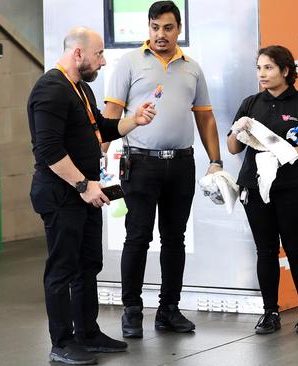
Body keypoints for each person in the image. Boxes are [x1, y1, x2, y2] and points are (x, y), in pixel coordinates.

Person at [28, 27, 156, 365]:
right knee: (62, 268)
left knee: (88, 264)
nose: (103, 60)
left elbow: (101, 127)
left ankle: (87, 332)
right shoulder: (51, 90)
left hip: (85, 194)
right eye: (99, 54)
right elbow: (49, 150)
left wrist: (135, 120)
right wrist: (84, 186)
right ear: (78, 54)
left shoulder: (80, 88)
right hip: (62, 194)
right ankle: (62, 341)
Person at [103, 0, 222, 337]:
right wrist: (97, 164)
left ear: (179, 29)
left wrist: (215, 161)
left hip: (181, 163)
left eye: (167, 28)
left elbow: (205, 117)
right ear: (149, 28)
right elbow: (111, 118)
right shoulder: (128, 63)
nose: (160, 35)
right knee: (137, 236)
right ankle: (132, 311)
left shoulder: (192, 68)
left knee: (174, 238)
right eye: (155, 27)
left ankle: (169, 310)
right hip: (140, 163)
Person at [227, 45, 298, 334]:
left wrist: (292, 153)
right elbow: (233, 148)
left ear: (285, 71)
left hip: (294, 187)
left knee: (296, 247)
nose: (262, 73)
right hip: (255, 187)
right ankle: (270, 312)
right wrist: (238, 129)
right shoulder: (250, 103)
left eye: (269, 68)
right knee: (265, 250)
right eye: (259, 67)